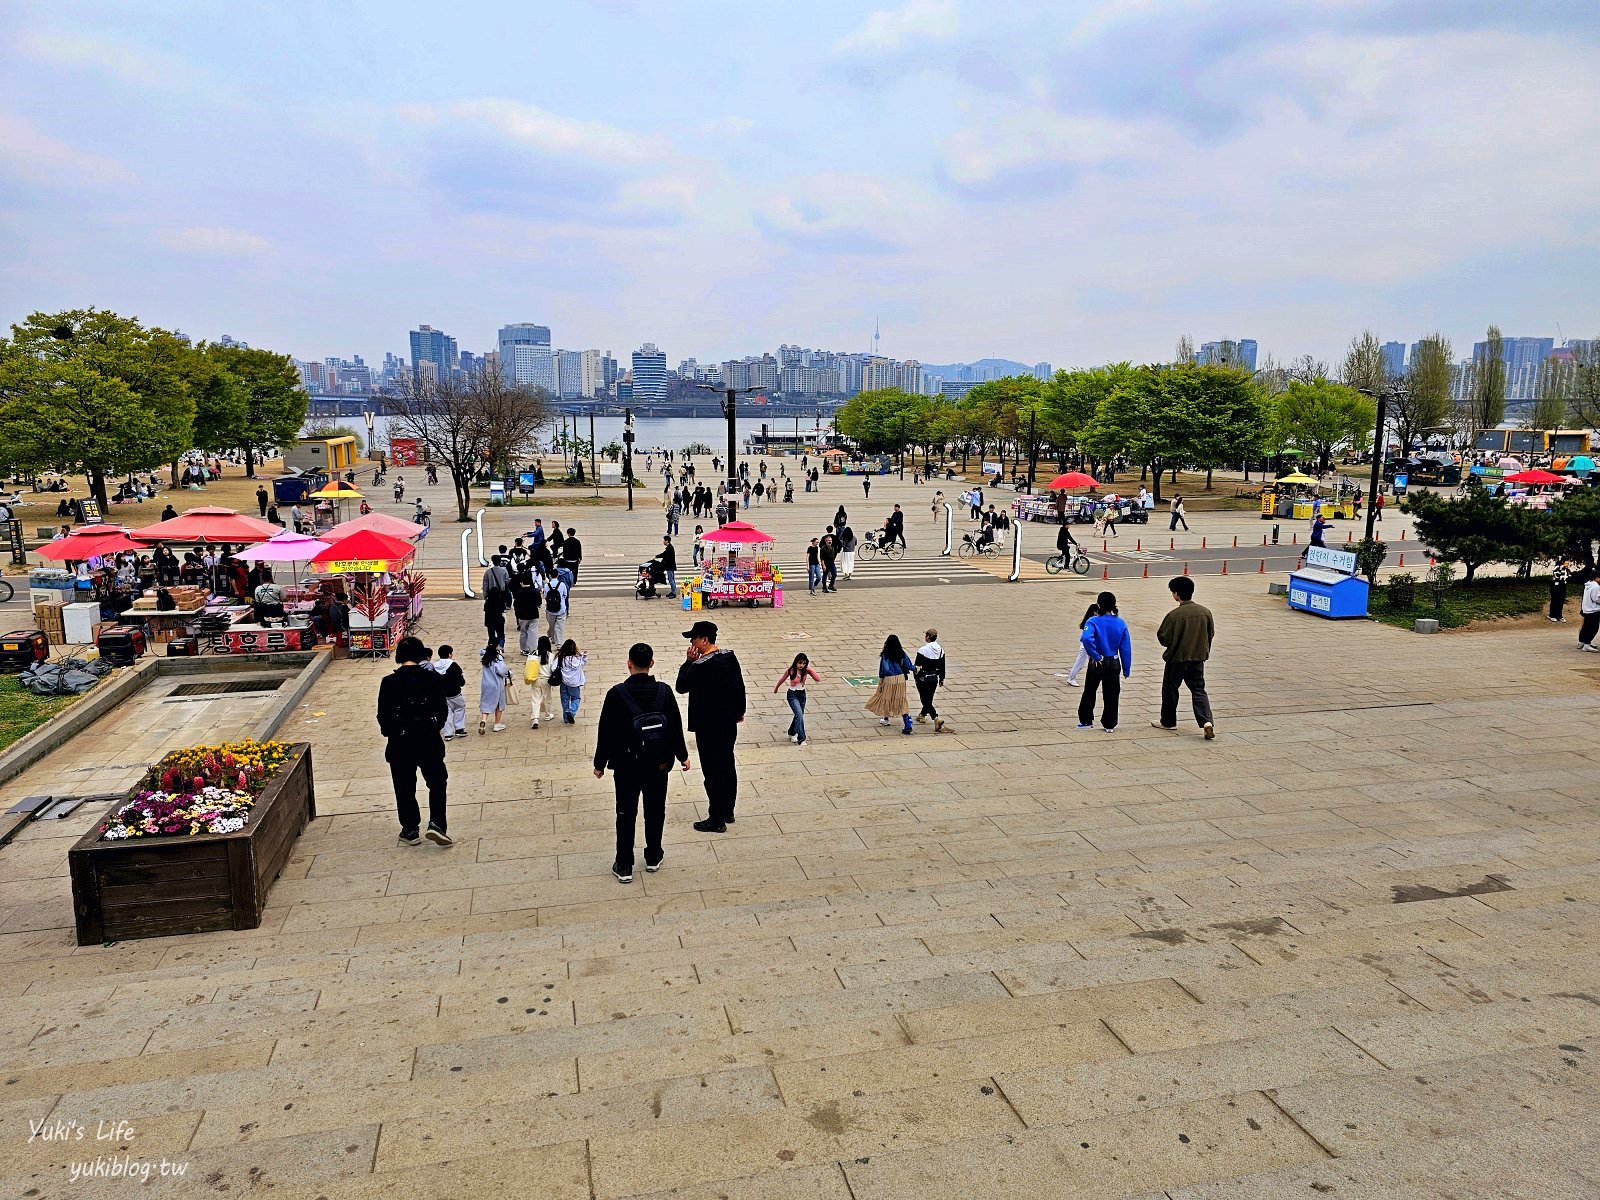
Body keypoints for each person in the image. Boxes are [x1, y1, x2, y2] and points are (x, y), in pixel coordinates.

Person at [593, 643, 691, 883]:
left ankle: (624, 864)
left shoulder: (616, 694)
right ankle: (653, 857)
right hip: (658, 764)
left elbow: (605, 732)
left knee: (625, 813)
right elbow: (675, 728)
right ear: (651, 664)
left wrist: (600, 763)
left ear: (629, 664)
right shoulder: (664, 692)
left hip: (626, 765)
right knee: (655, 810)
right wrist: (683, 756)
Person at [376, 636, 451, 847]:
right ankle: (437, 823)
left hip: (400, 743)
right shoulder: (432, 679)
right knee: (437, 783)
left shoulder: (389, 683)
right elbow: (442, 711)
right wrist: (432, 727)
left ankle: (410, 829)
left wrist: (391, 732)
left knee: (404, 787)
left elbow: (383, 716)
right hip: (429, 741)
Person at [676, 620, 746, 833]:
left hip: (708, 726)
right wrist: (739, 712)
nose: (691, 642)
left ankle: (716, 819)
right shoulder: (729, 657)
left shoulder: (700, 666)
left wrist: (688, 662)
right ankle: (728, 810)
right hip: (727, 724)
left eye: (694, 638)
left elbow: (680, 687)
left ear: (704, 640)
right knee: (727, 764)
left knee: (712, 771)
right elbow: (739, 686)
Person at [1154, 575, 1216, 738]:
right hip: (1197, 659)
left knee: (1170, 690)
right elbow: (1211, 633)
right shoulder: (1205, 612)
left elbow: (1164, 638)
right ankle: (1206, 721)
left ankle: (1168, 721)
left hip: (1177, 660)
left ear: (1176, 594)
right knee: (1198, 690)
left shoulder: (1174, 615)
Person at [1076, 591, 1133, 733]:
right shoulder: (1121, 623)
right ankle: (1109, 724)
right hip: (1113, 661)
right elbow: (1126, 648)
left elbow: (1086, 639)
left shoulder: (1093, 621)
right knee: (1112, 693)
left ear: (1099, 605)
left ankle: (1086, 720)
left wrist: (1095, 656)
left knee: (1090, 690)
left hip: (1098, 661)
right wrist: (1126, 668)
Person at [865, 634, 915, 735]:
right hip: (901, 679)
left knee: (886, 698)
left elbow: (883, 670)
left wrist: (881, 680)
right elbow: (909, 665)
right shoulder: (901, 653)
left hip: (889, 679)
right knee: (901, 700)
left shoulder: (885, 655)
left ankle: (886, 718)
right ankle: (907, 722)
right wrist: (917, 668)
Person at [913, 629, 946, 732]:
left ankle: (936, 718)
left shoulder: (923, 650)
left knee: (925, 700)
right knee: (929, 699)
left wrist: (916, 677)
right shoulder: (941, 650)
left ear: (928, 637)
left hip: (923, 679)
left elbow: (917, 666)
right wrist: (941, 678)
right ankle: (922, 715)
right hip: (934, 679)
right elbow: (942, 666)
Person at [433, 645, 467, 740]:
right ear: (449, 654)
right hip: (454, 693)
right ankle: (459, 729)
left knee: (447, 712)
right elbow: (460, 679)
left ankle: (448, 733)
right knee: (460, 708)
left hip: (442, 695)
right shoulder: (453, 665)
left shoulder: (435, 666)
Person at [478, 643, 513, 734]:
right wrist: (510, 674)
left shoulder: (485, 658)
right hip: (497, 685)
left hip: (486, 684)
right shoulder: (497, 658)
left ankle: (484, 720)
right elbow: (502, 671)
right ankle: (497, 724)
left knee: (486, 702)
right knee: (499, 704)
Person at [1065, 601, 1099, 686]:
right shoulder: (1091, 621)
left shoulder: (1091, 620)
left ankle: (1072, 678)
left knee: (1092, 662)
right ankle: (1071, 678)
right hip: (1087, 645)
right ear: (1095, 612)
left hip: (1089, 644)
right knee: (1081, 662)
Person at [556, 638, 588, 722]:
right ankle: (571, 711)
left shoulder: (560, 658)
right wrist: (584, 656)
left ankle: (566, 718)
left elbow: (553, 668)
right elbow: (584, 662)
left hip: (563, 682)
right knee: (576, 698)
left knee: (565, 700)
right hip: (574, 683)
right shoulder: (578, 659)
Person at [527, 635, 554, 728]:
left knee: (535, 699)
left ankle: (535, 718)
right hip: (546, 680)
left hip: (535, 679)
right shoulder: (551, 656)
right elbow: (553, 668)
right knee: (547, 698)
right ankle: (547, 714)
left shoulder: (533, 655)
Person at [512, 573, 541, 654]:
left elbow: (516, 605)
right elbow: (539, 603)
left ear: (522, 583)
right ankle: (533, 649)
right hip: (534, 614)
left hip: (522, 615)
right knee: (533, 632)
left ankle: (524, 649)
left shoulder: (519, 593)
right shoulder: (535, 591)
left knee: (523, 632)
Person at [544, 571, 569, 648]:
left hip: (550, 609)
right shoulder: (562, 584)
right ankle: (559, 643)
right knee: (559, 626)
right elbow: (565, 595)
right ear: (557, 575)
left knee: (552, 625)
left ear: (550, 575)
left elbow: (545, 596)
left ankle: (553, 638)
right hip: (561, 608)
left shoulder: (546, 585)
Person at [1580, 572, 1600, 653]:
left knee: (1586, 626)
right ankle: (1587, 644)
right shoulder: (1596, 586)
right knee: (1594, 628)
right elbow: (1596, 598)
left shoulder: (1588, 585)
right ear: (1596, 578)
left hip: (1586, 609)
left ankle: (1582, 642)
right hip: (1593, 610)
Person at [1549, 559, 1572, 623]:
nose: (1567, 564)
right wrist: (1561, 569)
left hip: (1563, 586)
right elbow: (1556, 575)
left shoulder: (1567, 570)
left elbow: (1568, 577)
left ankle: (1559, 615)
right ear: (1562, 563)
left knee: (1561, 601)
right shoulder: (1557, 568)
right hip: (1555, 585)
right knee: (1555, 600)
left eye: (1568, 563)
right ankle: (1552, 615)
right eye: (1566, 563)